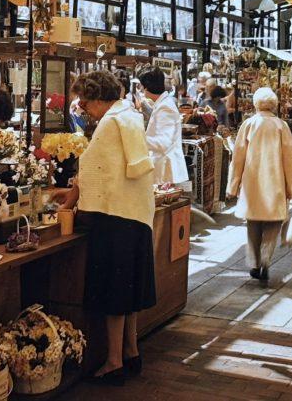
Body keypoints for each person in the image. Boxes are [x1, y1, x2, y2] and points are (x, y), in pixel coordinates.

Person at [49, 71, 156, 385]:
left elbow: (92, 171)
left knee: (114, 293)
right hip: (136, 215)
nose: (83, 107)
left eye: (84, 101)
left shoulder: (111, 123)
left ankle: (113, 362)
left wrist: (68, 204)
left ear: (97, 97)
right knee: (130, 291)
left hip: (113, 217)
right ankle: (131, 352)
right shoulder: (131, 116)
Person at [226, 87, 292, 282]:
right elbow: (290, 158)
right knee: (274, 222)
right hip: (275, 181)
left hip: (253, 182)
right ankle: (266, 258)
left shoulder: (248, 124)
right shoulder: (281, 126)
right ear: (274, 105)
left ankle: (254, 263)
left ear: (256, 103)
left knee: (253, 222)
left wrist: (233, 185)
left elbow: (238, 157)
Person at [138, 67, 189, 189]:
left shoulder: (165, 107)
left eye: (141, 86)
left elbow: (163, 143)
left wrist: (138, 139)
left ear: (146, 88)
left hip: (166, 171)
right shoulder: (162, 104)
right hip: (163, 169)